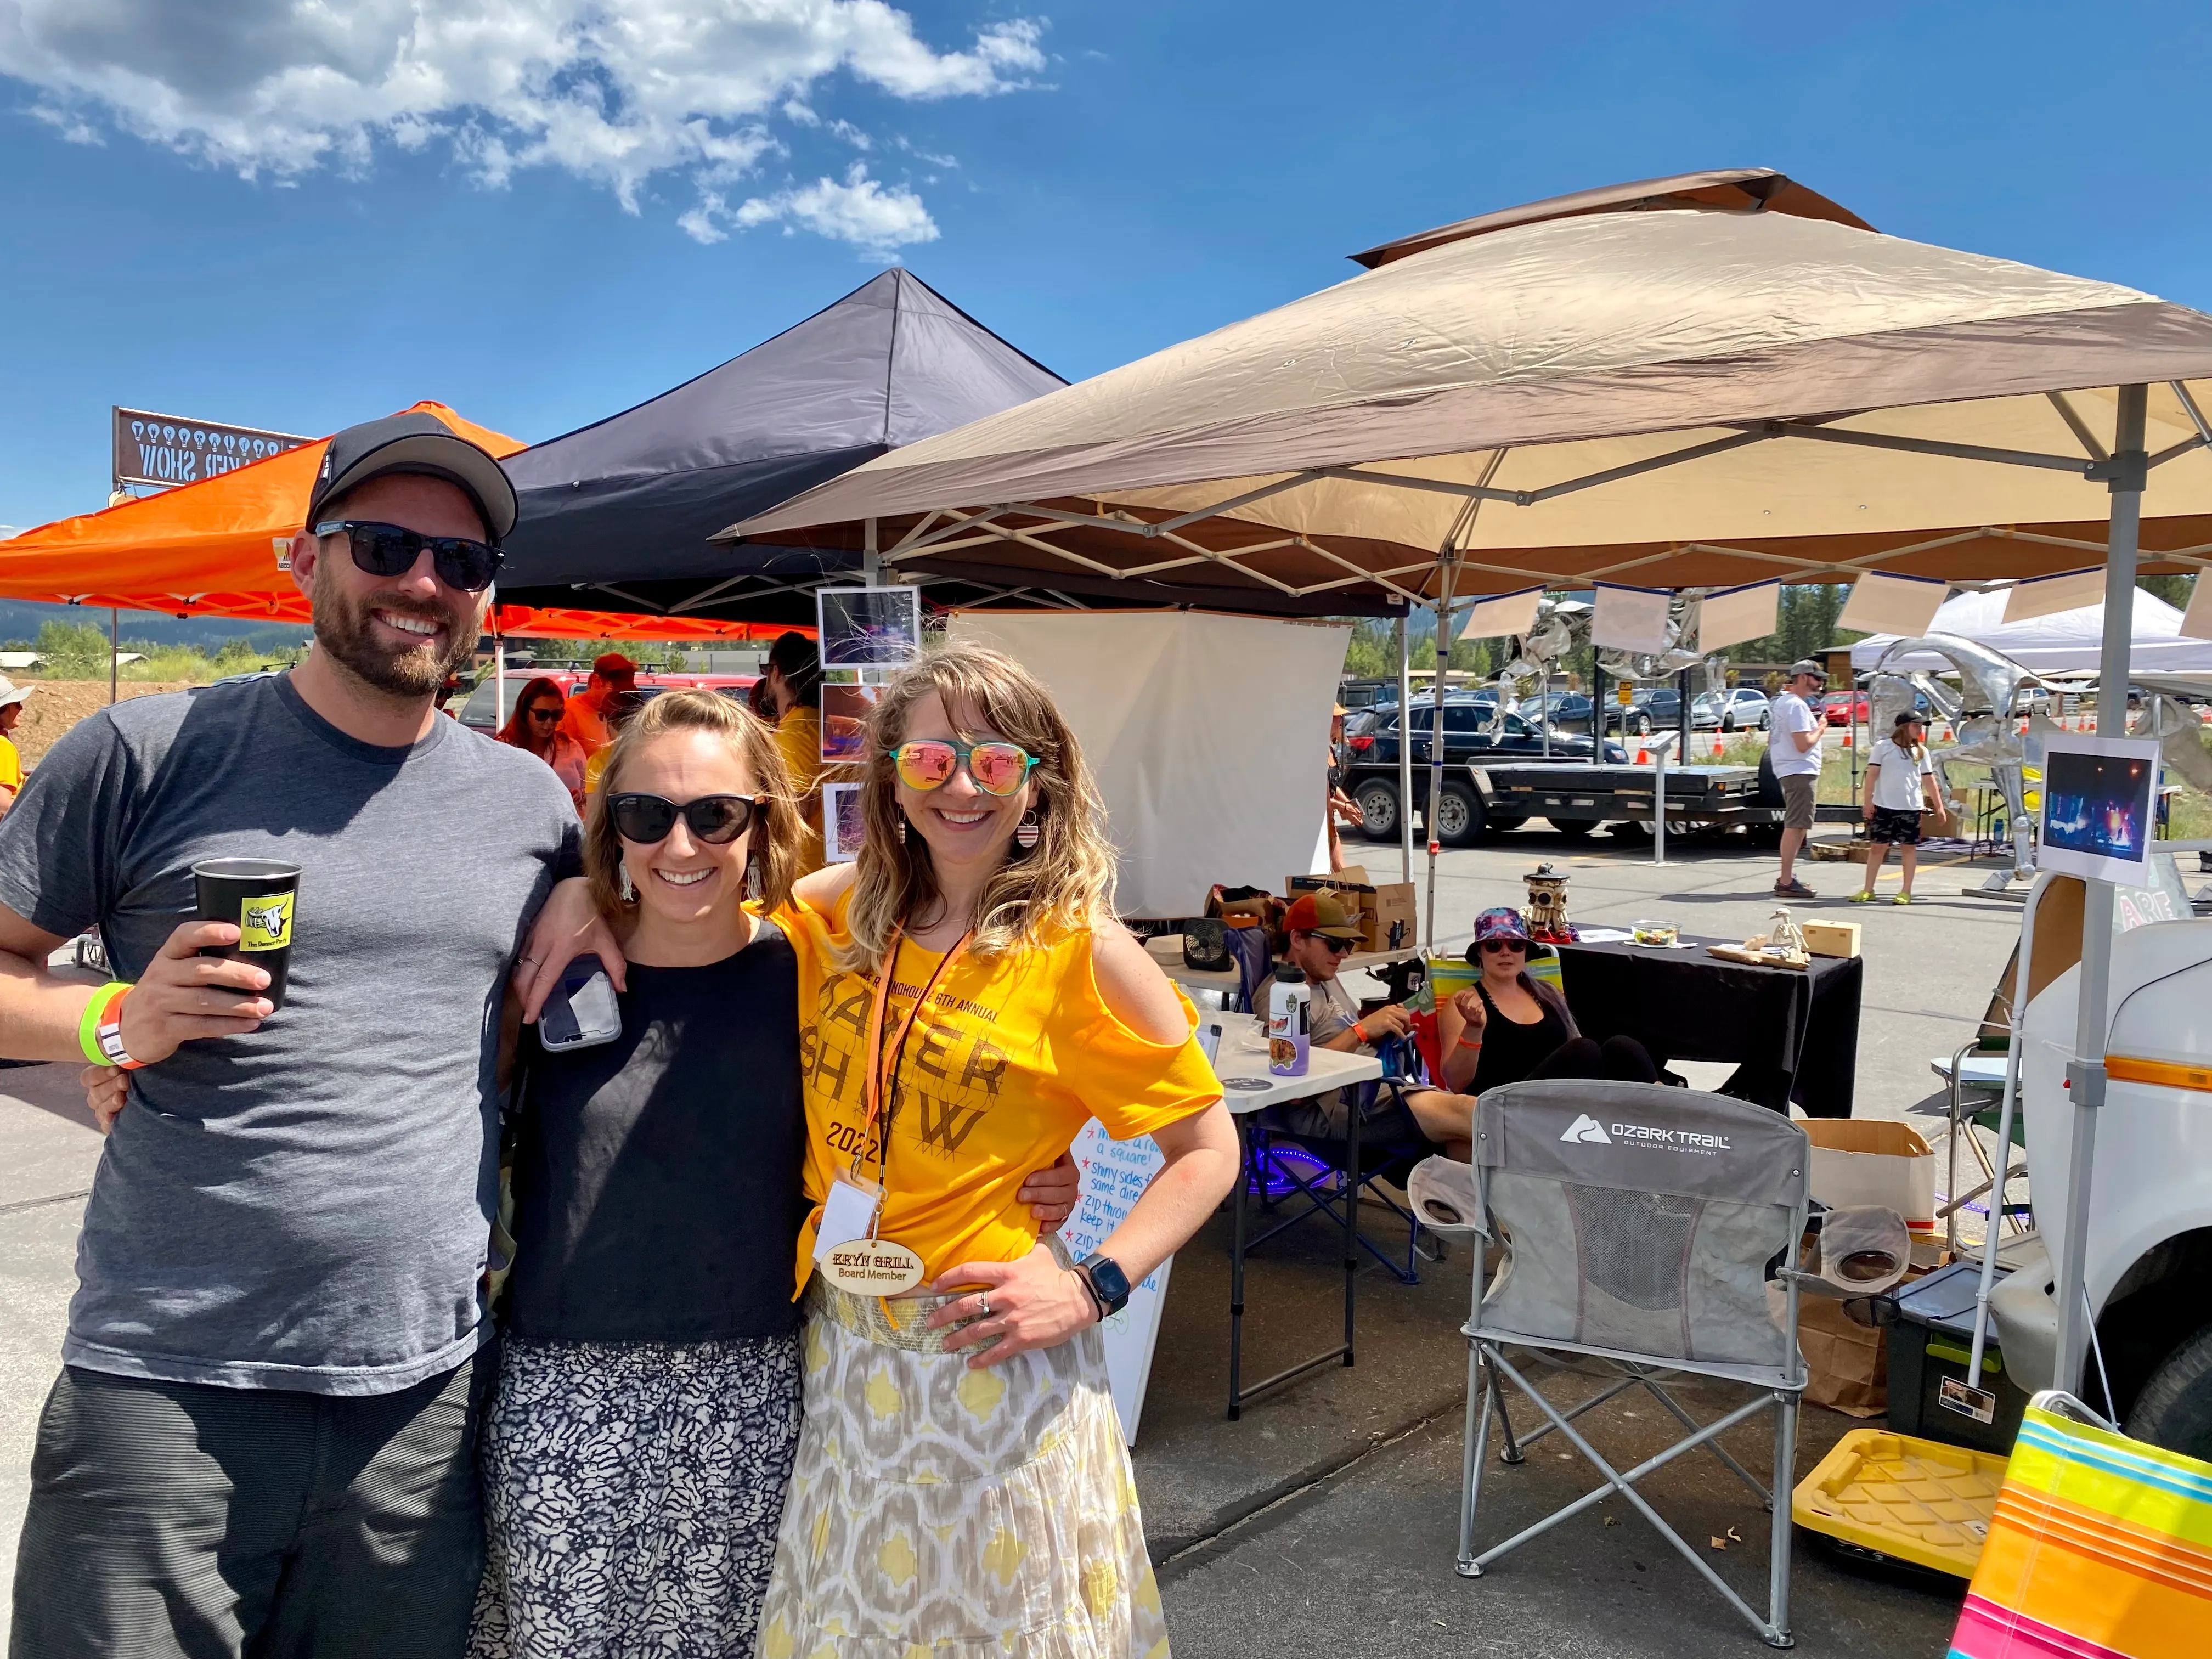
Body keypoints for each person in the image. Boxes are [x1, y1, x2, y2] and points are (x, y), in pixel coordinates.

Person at [0, 410, 601, 1658]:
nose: (424, 583)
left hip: (420, 1402)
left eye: (463, 563)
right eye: (384, 545)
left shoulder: (531, 802)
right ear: (304, 560)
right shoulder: (149, 750)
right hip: (165, 1388)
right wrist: (117, 1022)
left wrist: (603, 883)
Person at [469, 687, 1073, 1658]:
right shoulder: (549, 970)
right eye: (644, 814)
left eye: (714, 813)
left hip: (757, 1390)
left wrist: (1036, 1167)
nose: (680, 844)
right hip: (563, 1388)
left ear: (762, 822)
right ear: (609, 826)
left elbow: (947, 1084)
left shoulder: (823, 967)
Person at [758, 645, 1238, 1657]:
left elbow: (1207, 1148)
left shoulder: (1083, 952)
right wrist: (589, 897)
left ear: (1039, 778)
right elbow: (681, 911)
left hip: (988, 1355)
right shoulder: (829, 912)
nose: (962, 785)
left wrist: (1093, 1284)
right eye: (931, 760)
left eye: (995, 759)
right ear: (890, 774)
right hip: (845, 1347)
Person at [1271, 888, 1475, 1159]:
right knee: (1469, 1113)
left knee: (1468, 1141)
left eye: (1348, 945)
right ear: (1297, 939)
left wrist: (1383, 1029)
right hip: (1335, 1107)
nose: (1343, 954)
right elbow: (1290, 1090)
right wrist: (1363, 1031)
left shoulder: (1322, 976)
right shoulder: (1283, 997)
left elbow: (1346, 1035)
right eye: (1334, 943)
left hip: (1372, 1088)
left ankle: (1459, 1202)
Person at [1436, 908, 1657, 1093]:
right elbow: (1456, 1083)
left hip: (1557, 1100)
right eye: (1494, 946)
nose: (1506, 952)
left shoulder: (1546, 993)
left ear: (1525, 952)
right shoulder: (1464, 1003)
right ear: (1479, 954)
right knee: (1584, 1050)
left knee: (1623, 1048)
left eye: (1516, 945)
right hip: (1504, 1106)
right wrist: (1473, 1030)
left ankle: (1667, 1109)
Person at [759, 629, 836, 872]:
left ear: (776, 673)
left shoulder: (797, 731)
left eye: (766, 669)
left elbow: (796, 811)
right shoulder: (822, 721)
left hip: (807, 871)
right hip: (828, 865)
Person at [1852, 709, 1943, 905]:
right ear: (1903, 727)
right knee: (1878, 848)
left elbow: (1928, 779)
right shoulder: (1883, 747)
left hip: (1910, 808)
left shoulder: (1920, 752)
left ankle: (1905, 891)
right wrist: (1868, 802)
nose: (1919, 730)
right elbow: (1872, 775)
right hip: (1884, 806)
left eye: (1921, 727)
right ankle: (1868, 889)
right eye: (1916, 726)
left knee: (1908, 848)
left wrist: (1939, 807)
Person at [1768, 658, 1828, 899]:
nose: (1821, 683)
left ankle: (1786, 878)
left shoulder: (1786, 702)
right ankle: (1786, 880)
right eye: (1817, 678)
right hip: (1799, 770)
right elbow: (1804, 744)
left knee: (1798, 823)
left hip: (1792, 768)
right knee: (1797, 824)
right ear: (1803, 677)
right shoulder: (1796, 705)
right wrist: (1821, 727)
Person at [498, 674, 589, 812]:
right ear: (524, 712)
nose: (549, 723)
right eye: (542, 715)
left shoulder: (571, 747)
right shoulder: (503, 750)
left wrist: (581, 795)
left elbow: (589, 789)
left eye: (556, 715)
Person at [558, 651, 639, 755]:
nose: (619, 697)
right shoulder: (568, 712)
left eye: (624, 692)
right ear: (597, 681)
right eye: (614, 690)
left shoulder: (621, 713)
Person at [1326, 703, 1363, 873]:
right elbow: (1319, 795)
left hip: (1330, 822)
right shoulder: (1315, 752)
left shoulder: (1329, 749)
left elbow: (1332, 785)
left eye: (1341, 717)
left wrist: (1348, 804)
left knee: (1341, 872)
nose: (1341, 721)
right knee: (1339, 872)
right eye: (1335, 717)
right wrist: (1344, 807)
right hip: (1318, 825)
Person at [0, 676, 32, 819]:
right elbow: (3, 807)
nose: (21, 708)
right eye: (16, 703)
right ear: (3, 708)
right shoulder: (3, 746)